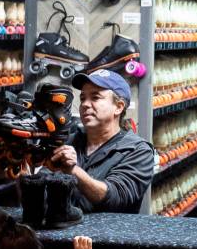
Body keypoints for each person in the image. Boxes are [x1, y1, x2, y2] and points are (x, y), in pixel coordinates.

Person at [48, 68, 155, 214]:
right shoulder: (69, 141)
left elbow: (115, 198)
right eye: (83, 98)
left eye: (95, 97)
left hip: (108, 236)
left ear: (118, 107)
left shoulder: (138, 151)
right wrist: (23, 170)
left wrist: (73, 170)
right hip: (62, 234)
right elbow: (42, 196)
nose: (85, 104)